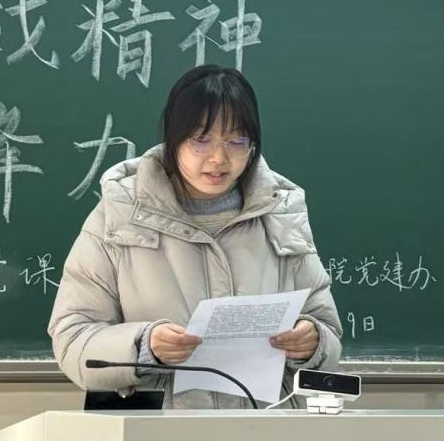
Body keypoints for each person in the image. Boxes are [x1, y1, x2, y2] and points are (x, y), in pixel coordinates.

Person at [49, 64, 343, 408]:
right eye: (201, 140)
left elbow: (328, 331)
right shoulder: (120, 214)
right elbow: (72, 338)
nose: (219, 158)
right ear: (173, 140)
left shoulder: (281, 213)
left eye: (237, 141)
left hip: (265, 429)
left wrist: (313, 342)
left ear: (253, 144)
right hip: (160, 431)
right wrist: (144, 346)